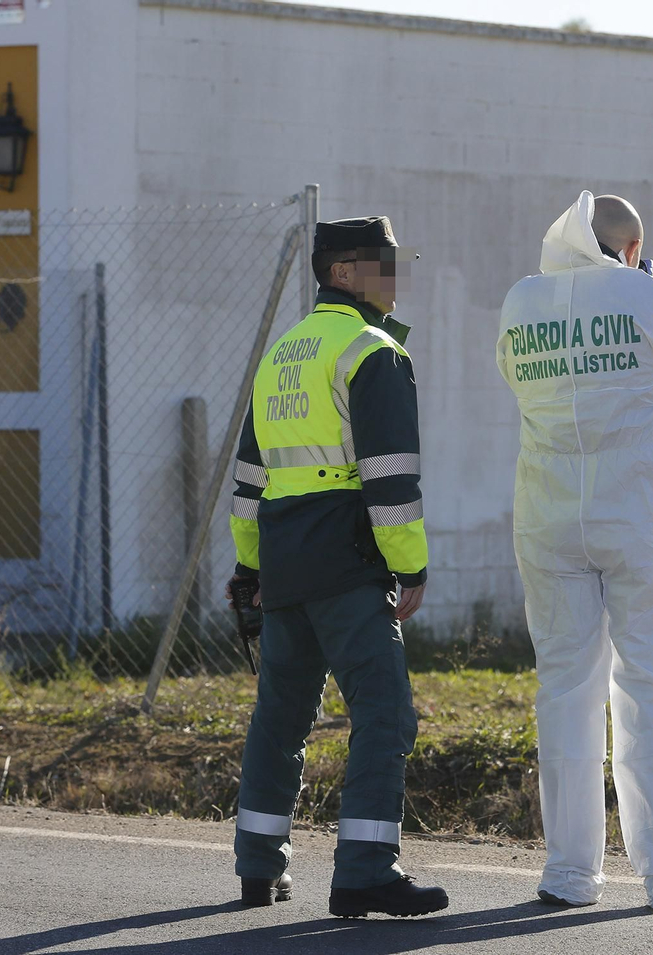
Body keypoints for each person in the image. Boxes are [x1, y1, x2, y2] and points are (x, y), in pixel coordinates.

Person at [495, 192, 653, 911]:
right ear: (631, 249)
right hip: (636, 514)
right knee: (651, 686)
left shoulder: (520, 302)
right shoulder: (647, 294)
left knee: (565, 689)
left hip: (548, 514)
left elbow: (514, 377)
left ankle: (570, 873)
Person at [227, 215, 448, 919]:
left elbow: (246, 483)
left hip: (284, 563)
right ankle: (365, 870)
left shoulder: (281, 353)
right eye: (384, 261)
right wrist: (411, 566)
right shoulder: (371, 350)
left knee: (281, 716)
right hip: (349, 562)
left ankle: (258, 867)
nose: (396, 274)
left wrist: (249, 567)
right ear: (342, 272)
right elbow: (389, 478)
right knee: (384, 714)